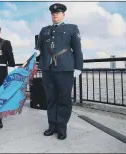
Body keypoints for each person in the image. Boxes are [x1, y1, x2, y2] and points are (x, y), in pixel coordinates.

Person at [35, 3, 83, 140]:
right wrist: (36, 51)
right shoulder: (44, 30)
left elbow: (77, 49)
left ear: (63, 14)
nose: (55, 15)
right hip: (47, 70)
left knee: (64, 99)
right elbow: (38, 47)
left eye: (58, 13)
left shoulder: (72, 28)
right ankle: (52, 126)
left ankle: (61, 128)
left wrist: (78, 67)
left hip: (65, 69)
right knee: (50, 99)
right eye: (53, 13)